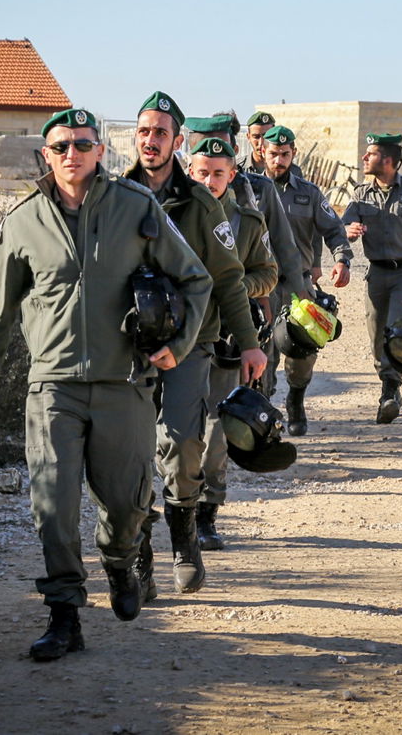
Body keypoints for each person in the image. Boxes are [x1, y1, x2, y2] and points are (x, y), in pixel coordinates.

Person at [0, 107, 212, 661]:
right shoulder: (23, 220)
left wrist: (177, 346)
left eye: (83, 144)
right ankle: (64, 616)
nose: (72, 154)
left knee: (127, 503)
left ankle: (121, 559)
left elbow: (196, 278)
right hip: (52, 386)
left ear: (100, 151)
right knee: (53, 507)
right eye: (61, 146)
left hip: (124, 384)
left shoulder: (137, 206)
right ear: (46, 155)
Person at [125, 91, 268, 599]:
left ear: (177, 142)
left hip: (193, 340)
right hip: (128, 344)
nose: (151, 140)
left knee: (184, 441)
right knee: (129, 450)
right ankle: (139, 552)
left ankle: (185, 535)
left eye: (161, 133)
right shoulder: (114, 197)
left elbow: (229, 279)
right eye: (144, 131)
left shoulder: (204, 205)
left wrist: (249, 344)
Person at [184, 137, 278, 551]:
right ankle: (177, 503)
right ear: (190, 172)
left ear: (232, 175)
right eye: (202, 173)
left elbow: (268, 273)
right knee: (175, 429)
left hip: (225, 337)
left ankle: (207, 512)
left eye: (218, 174)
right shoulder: (170, 214)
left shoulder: (247, 223)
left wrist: (235, 286)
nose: (210, 181)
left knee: (217, 428)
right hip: (178, 336)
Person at [185, 113, 309, 395]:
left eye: (221, 146)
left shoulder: (256, 189)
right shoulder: (175, 201)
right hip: (188, 318)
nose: (213, 155)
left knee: (244, 389)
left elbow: (280, 246)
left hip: (238, 311)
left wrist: (294, 291)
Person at [260, 124, 354, 434]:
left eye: (285, 154)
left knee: (303, 345)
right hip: (261, 284)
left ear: (294, 154)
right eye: (274, 154)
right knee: (263, 348)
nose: (279, 160)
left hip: (297, 284)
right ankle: (261, 408)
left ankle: (296, 399)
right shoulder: (249, 189)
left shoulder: (309, 193)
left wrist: (342, 259)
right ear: (262, 152)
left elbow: (334, 229)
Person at [342, 132, 402, 424]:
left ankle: (390, 391)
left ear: (388, 160)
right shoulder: (361, 193)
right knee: (375, 334)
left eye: (370, 154)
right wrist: (348, 231)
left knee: (396, 328)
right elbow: (342, 227)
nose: (364, 158)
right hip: (376, 274)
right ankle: (387, 382)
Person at [242, 110, 277, 174]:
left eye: (266, 136)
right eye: (256, 137)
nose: (261, 143)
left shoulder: (290, 171)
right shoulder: (237, 169)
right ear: (248, 137)